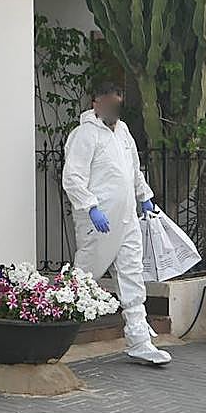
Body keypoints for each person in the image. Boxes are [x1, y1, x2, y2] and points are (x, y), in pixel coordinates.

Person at [61, 83, 172, 366]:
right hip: (98, 221)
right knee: (84, 278)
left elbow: (133, 170)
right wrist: (91, 207)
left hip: (127, 219)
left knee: (132, 276)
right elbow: (73, 177)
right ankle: (54, 333)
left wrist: (144, 197)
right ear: (95, 103)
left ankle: (139, 340)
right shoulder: (84, 135)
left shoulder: (123, 132)